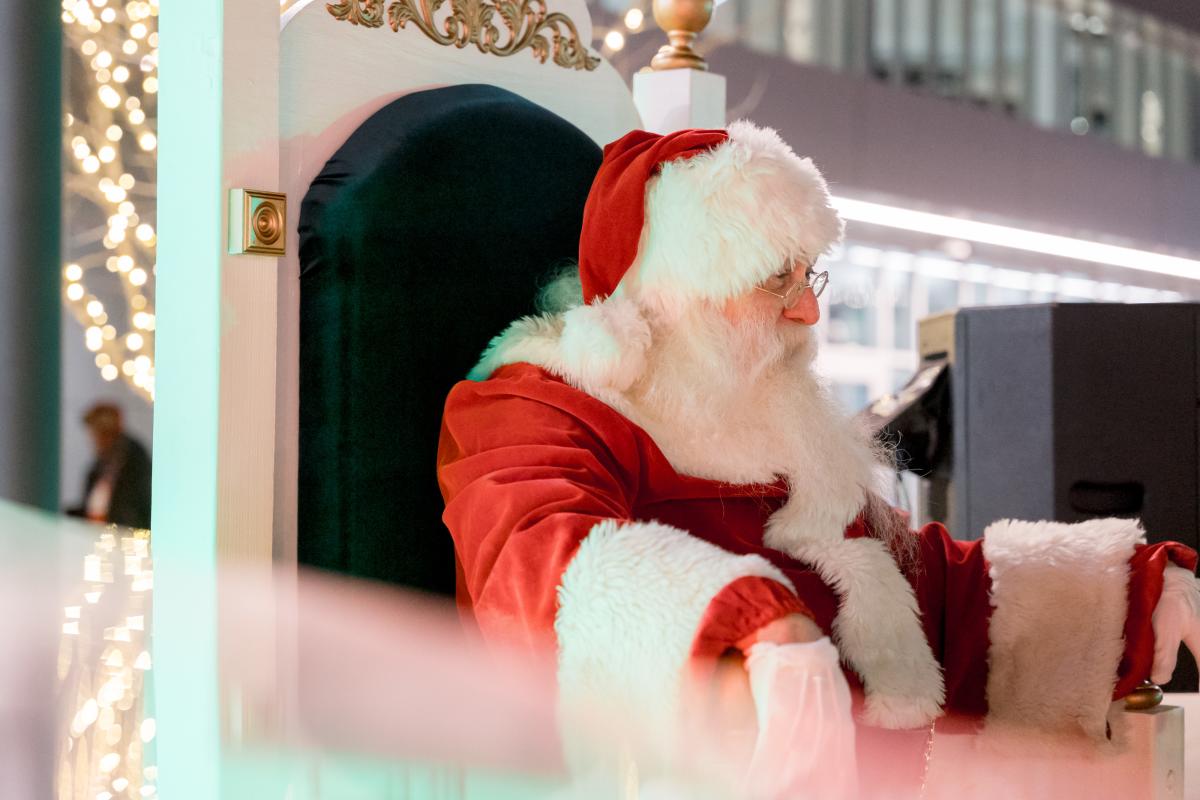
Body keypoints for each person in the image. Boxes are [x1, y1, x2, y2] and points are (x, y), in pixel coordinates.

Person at [437, 123, 1200, 793]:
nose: (809, 311)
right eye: (778, 279)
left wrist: (1122, 590)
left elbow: (920, 590)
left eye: (809, 276)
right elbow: (542, 568)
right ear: (678, 293)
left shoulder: (764, 417)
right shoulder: (539, 407)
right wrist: (747, 628)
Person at [68, 402, 152, 529]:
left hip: (125, 534)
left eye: (95, 434)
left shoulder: (132, 460)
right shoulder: (102, 464)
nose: (92, 440)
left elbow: (139, 504)